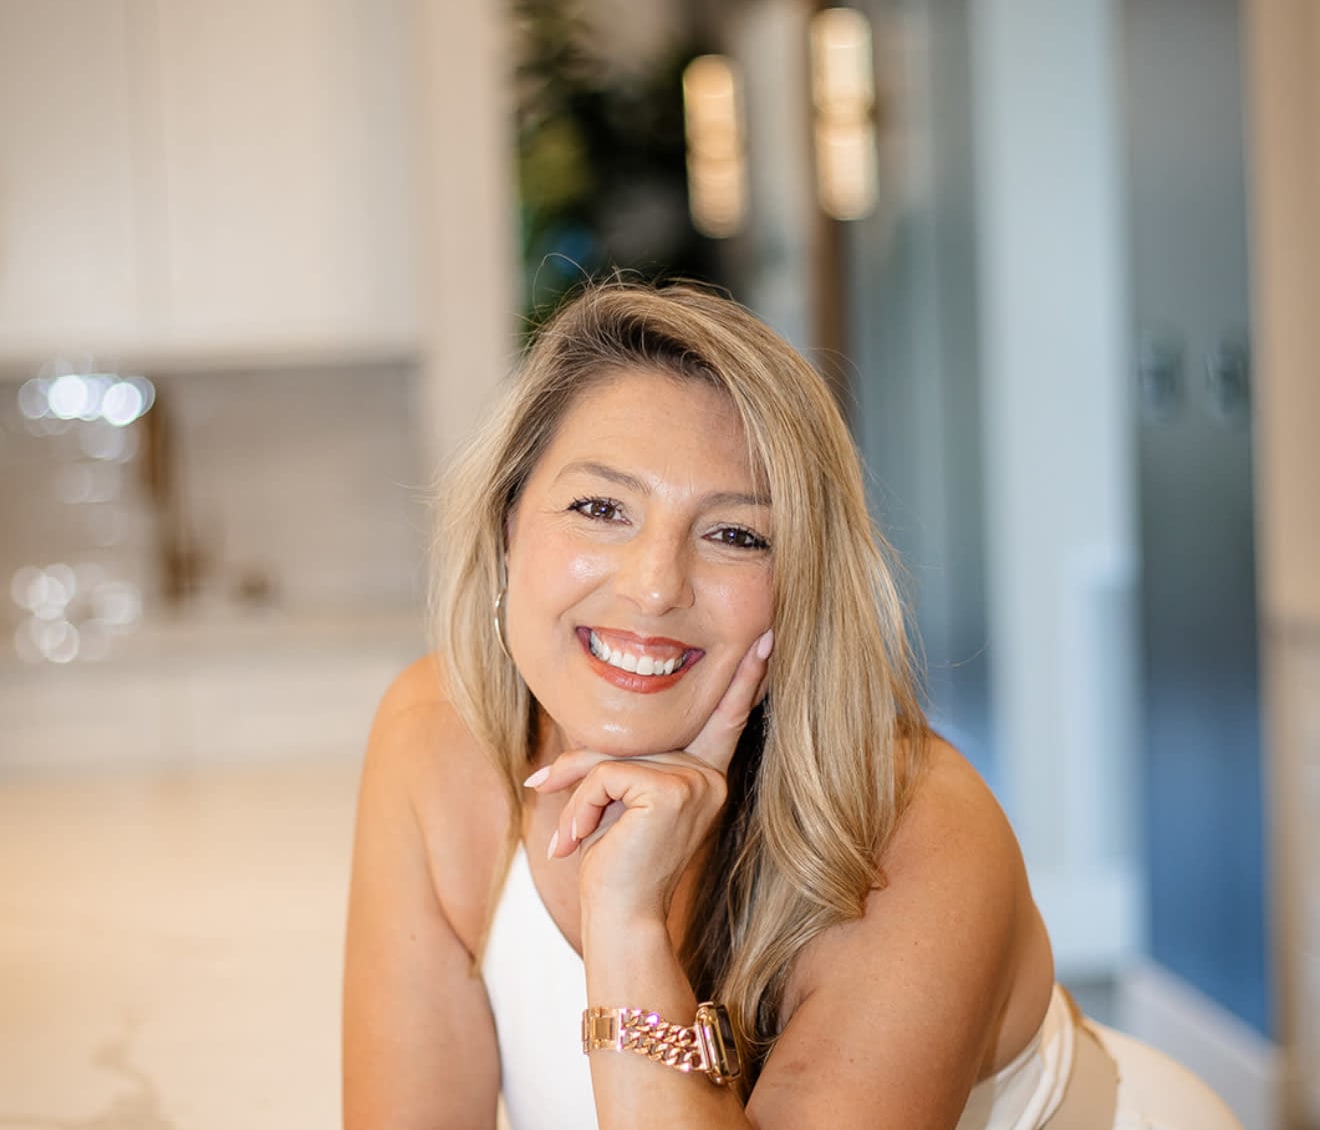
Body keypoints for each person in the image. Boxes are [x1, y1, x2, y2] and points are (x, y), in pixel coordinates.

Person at [342, 282, 1241, 1129]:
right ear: (507, 525)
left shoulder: (909, 830)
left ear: (804, 583)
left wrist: (626, 925)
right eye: (600, 508)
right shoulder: (437, 736)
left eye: (736, 534)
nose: (654, 586)